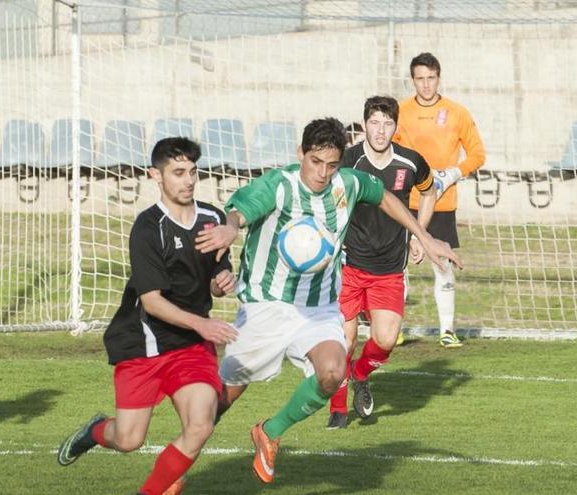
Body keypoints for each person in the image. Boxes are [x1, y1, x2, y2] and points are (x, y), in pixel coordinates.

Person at [194, 117, 461, 484]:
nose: (322, 173)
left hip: (317, 308)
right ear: (300, 153)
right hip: (267, 306)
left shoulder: (346, 184)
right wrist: (229, 227)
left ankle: (269, 432)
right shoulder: (279, 184)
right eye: (315, 162)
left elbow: (382, 195)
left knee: (334, 373)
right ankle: (179, 466)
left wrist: (424, 236)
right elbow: (240, 211)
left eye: (331, 164)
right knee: (221, 402)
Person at [56, 137, 237, 495]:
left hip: (190, 347)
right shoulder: (147, 228)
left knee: (200, 425)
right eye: (178, 172)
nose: (188, 180)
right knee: (128, 439)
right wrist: (203, 322)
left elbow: (217, 275)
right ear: (156, 175)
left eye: (193, 172)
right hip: (143, 344)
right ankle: (94, 431)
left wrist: (222, 280)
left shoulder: (213, 218)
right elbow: (152, 302)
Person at [325, 96, 436, 429]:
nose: (380, 130)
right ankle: (338, 411)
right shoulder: (347, 161)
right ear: (364, 124)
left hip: (389, 268)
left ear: (396, 127)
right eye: (374, 122)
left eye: (387, 123)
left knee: (386, 340)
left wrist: (419, 235)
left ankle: (360, 375)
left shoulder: (410, 162)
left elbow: (429, 192)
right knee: (344, 340)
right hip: (348, 263)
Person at [394, 52, 486, 348]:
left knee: (442, 263)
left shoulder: (457, 112)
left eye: (430, 78)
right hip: (405, 200)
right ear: (412, 80)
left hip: (442, 201)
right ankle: (394, 328)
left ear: (438, 77)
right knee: (396, 264)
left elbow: (477, 154)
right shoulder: (400, 111)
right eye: (420, 79)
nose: (425, 85)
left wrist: (452, 173)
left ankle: (447, 329)